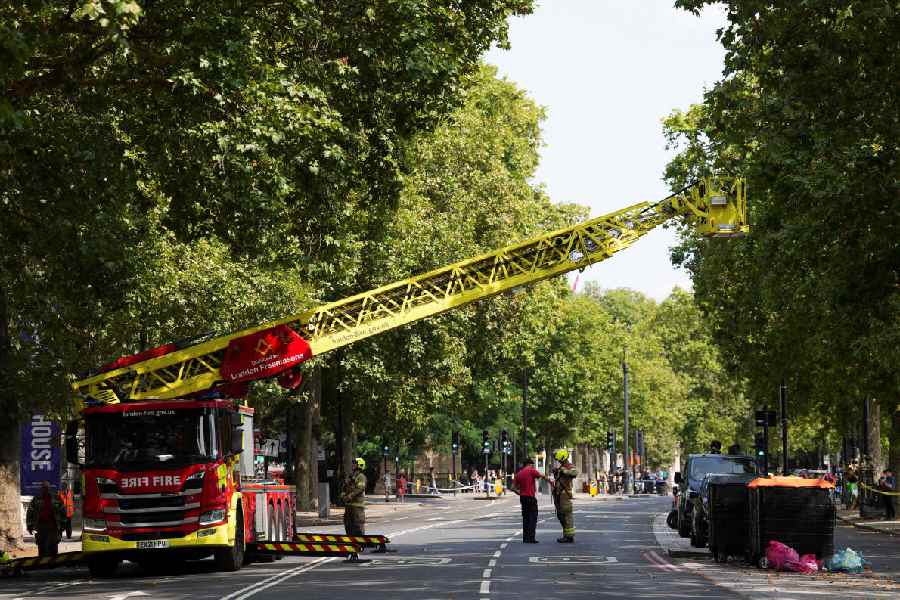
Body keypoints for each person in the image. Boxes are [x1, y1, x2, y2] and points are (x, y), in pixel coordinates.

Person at [26, 481, 65, 557]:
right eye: (43, 488)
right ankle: (42, 564)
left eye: (47, 488)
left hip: (53, 526)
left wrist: (63, 526)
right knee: (42, 546)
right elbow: (30, 512)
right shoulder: (36, 499)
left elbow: (63, 511)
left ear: (49, 488)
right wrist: (30, 526)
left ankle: (53, 563)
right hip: (41, 527)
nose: (45, 489)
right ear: (41, 489)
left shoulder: (56, 498)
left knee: (53, 546)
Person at [511, 459, 544, 543]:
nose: (533, 466)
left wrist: (520, 493)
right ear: (529, 464)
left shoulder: (518, 474)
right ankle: (531, 538)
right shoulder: (531, 471)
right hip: (530, 497)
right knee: (532, 517)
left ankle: (525, 538)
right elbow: (541, 476)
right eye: (532, 465)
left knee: (525, 518)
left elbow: (512, 488)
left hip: (523, 498)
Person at [550, 449, 577, 543]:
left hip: (564, 495)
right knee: (561, 515)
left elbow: (574, 473)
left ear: (563, 458)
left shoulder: (569, 466)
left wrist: (563, 470)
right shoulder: (562, 467)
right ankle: (566, 535)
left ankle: (569, 536)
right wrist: (556, 472)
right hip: (558, 495)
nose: (558, 461)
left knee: (567, 515)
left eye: (559, 460)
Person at [341, 458, 367, 536]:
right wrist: (342, 495)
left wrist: (350, 496)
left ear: (359, 465)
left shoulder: (361, 477)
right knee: (348, 525)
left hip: (357, 507)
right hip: (348, 506)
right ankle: (351, 543)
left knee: (358, 525)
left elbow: (360, 489)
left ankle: (361, 543)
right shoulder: (351, 476)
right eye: (352, 464)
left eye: (354, 464)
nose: (352, 465)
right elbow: (344, 487)